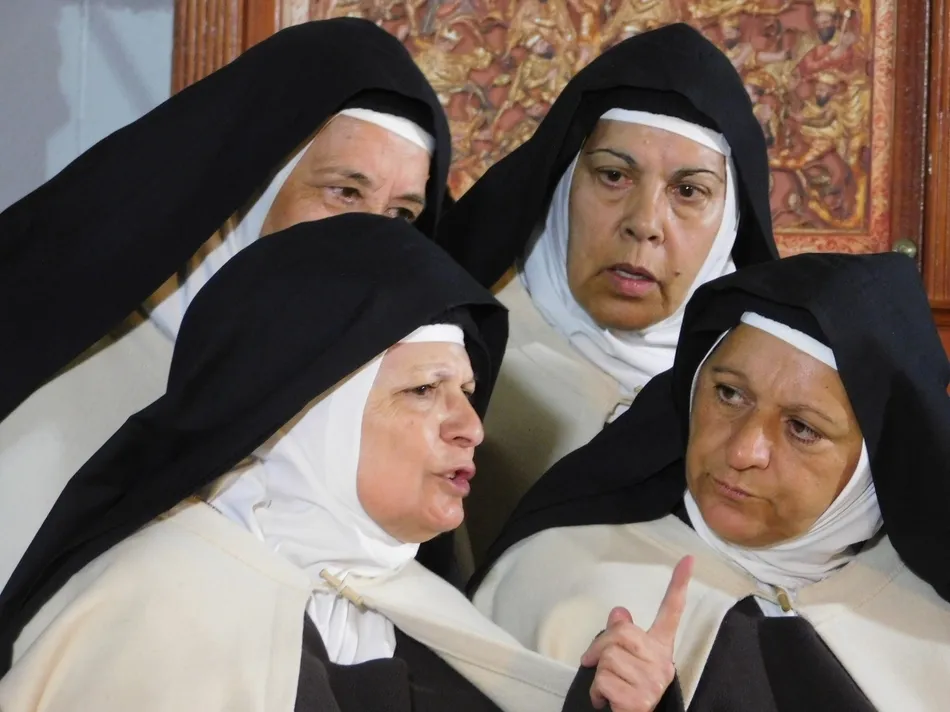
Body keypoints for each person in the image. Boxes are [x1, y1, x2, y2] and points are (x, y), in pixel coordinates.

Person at [1, 215, 671, 712]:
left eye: (467, 393)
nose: (471, 427)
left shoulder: (418, 608)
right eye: (423, 390)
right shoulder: (156, 609)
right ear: (305, 417)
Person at [0, 18, 450, 587]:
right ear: (255, 187)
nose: (372, 240)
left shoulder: (383, 414)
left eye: (400, 215)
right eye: (344, 192)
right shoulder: (60, 389)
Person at [470, 252, 950, 711]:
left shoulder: (929, 620)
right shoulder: (555, 579)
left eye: (803, 428)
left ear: (875, 461)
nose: (742, 451)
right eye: (729, 394)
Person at [436, 23, 779, 567]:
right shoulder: (447, 355)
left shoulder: (764, 401)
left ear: (731, 222)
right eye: (614, 176)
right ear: (563, 185)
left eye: (689, 191)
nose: (645, 223)